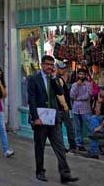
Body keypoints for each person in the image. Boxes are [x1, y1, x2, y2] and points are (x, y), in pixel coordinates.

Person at [28, 55, 79, 183]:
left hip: (54, 118)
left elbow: (60, 92)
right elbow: (32, 99)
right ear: (42, 65)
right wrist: (35, 118)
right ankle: (40, 171)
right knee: (40, 146)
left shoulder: (54, 79)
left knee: (60, 146)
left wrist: (55, 78)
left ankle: (65, 173)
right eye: (48, 64)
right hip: (40, 117)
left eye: (52, 65)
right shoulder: (34, 79)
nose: (50, 67)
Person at [55, 62, 77, 153]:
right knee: (68, 127)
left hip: (59, 108)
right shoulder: (58, 79)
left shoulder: (58, 79)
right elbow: (60, 94)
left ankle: (63, 146)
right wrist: (65, 106)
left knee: (61, 127)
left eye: (64, 68)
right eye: (62, 68)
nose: (63, 70)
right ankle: (71, 146)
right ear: (57, 69)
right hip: (62, 108)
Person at [70, 68, 93, 152]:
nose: (81, 76)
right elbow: (72, 95)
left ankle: (93, 145)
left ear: (85, 75)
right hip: (76, 109)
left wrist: (78, 98)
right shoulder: (74, 84)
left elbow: (87, 96)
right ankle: (79, 145)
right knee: (77, 128)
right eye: (80, 74)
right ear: (78, 75)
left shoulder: (89, 84)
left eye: (83, 74)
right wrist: (77, 86)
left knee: (90, 126)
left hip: (85, 109)